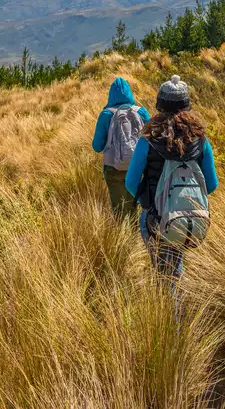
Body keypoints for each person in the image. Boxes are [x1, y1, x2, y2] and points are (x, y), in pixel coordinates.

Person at [125, 75, 218, 286]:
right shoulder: (200, 140)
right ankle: (175, 309)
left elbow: (130, 182)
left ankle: (170, 315)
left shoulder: (148, 140)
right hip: (191, 217)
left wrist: (149, 203)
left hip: (155, 218)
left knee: (163, 271)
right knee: (175, 264)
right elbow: (211, 185)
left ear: (159, 105)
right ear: (186, 106)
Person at [92, 77, 151, 218]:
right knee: (135, 207)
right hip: (137, 167)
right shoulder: (141, 112)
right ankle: (135, 235)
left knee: (118, 208)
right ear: (130, 93)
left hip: (113, 168)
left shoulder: (106, 114)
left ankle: (119, 237)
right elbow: (152, 140)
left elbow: (97, 146)